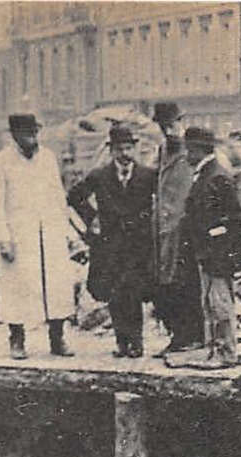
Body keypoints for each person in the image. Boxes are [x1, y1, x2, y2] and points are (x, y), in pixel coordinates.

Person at [0, 114, 81, 359]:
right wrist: (3, 239)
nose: (32, 137)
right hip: (19, 236)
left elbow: (59, 197)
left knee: (56, 286)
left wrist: (68, 232)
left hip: (50, 232)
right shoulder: (0, 162)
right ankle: (17, 339)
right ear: (14, 134)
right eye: (26, 133)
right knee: (17, 286)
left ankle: (57, 339)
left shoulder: (47, 158)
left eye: (34, 132)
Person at [66, 125, 158, 358]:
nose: (125, 154)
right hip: (110, 245)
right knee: (116, 295)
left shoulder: (147, 175)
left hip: (139, 245)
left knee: (135, 292)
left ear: (134, 149)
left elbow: (164, 201)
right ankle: (122, 343)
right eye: (120, 149)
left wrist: (153, 224)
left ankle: (136, 343)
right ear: (112, 151)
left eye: (129, 148)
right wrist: (92, 221)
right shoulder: (100, 175)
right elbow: (74, 197)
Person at [180, 126, 241, 369]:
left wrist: (214, 236)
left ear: (198, 150)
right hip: (207, 252)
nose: (185, 155)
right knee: (209, 302)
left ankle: (226, 352)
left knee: (220, 303)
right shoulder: (206, 174)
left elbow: (235, 219)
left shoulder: (216, 176)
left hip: (218, 253)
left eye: (188, 149)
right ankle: (214, 350)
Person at [151, 102, 204, 356]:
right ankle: (179, 336)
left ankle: (190, 337)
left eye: (174, 124)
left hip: (183, 228)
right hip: (163, 228)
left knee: (185, 283)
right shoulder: (162, 150)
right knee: (166, 285)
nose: (171, 130)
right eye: (166, 126)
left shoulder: (189, 151)